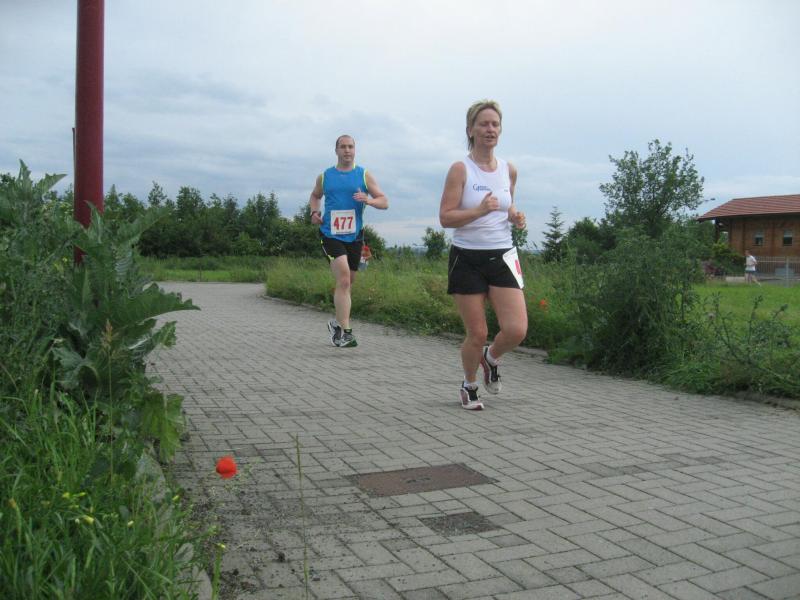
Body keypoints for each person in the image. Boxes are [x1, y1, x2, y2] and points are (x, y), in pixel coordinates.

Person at [439, 99, 527, 411]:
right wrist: (478, 210)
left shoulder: (508, 169)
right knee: (477, 332)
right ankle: (469, 385)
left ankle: (491, 358)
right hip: (467, 257)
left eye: (495, 124)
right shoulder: (460, 169)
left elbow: (507, 205)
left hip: (502, 255)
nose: (490, 129)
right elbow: (446, 218)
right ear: (470, 130)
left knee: (516, 330)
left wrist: (514, 216)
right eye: (484, 124)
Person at [309, 135, 389, 347]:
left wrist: (368, 200)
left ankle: (337, 323)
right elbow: (315, 196)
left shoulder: (363, 174)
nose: (347, 150)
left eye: (350, 147)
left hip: (355, 237)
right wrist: (314, 213)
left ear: (355, 150)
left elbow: (384, 201)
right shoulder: (325, 176)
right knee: (344, 279)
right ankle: (346, 333)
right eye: (343, 147)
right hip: (330, 234)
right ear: (336, 150)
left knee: (348, 281)